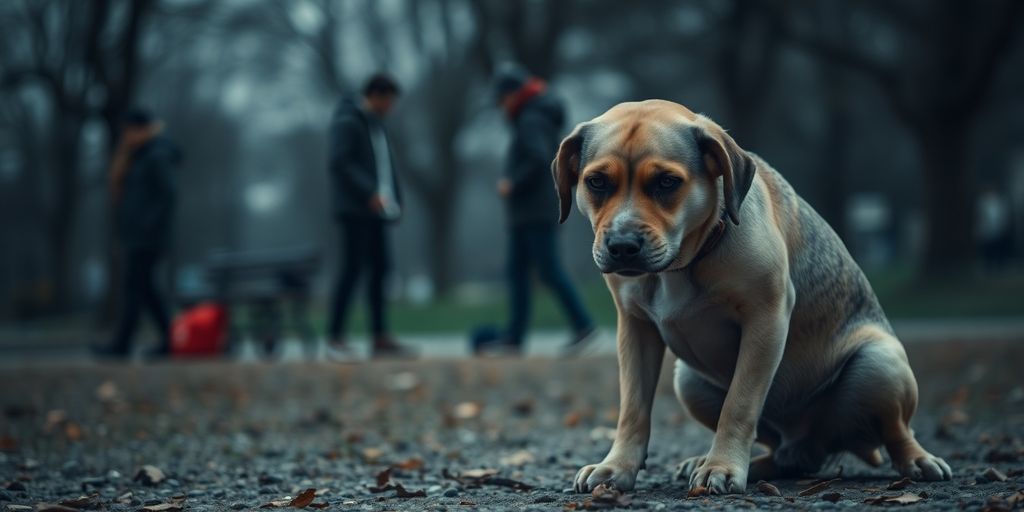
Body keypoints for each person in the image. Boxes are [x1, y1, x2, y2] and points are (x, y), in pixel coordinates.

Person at [480, 65, 597, 355]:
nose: (500, 107)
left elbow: (538, 157)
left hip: (535, 209)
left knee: (548, 270)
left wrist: (512, 183)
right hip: (530, 211)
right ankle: (514, 338)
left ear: (512, 95)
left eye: (501, 100)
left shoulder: (531, 118)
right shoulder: (535, 114)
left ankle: (584, 327)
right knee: (518, 272)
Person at [325, 73, 415, 361]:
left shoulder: (376, 126)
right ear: (375, 95)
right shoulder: (348, 121)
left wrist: (396, 200)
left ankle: (379, 337)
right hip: (355, 211)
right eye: (388, 100)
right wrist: (368, 193)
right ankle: (335, 338)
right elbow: (340, 162)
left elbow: (386, 167)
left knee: (380, 272)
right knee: (351, 272)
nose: (390, 106)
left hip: (377, 213)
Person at [94, 109, 181, 360]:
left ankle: (124, 344)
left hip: (148, 238)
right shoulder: (138, 156)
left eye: (130, 130)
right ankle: (168, 339)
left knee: (137, 288)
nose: (126, 136)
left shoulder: (155, 155)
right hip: (136, 236)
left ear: (142, 129)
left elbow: (168, 194)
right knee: (144, 289)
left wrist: (146, 225)